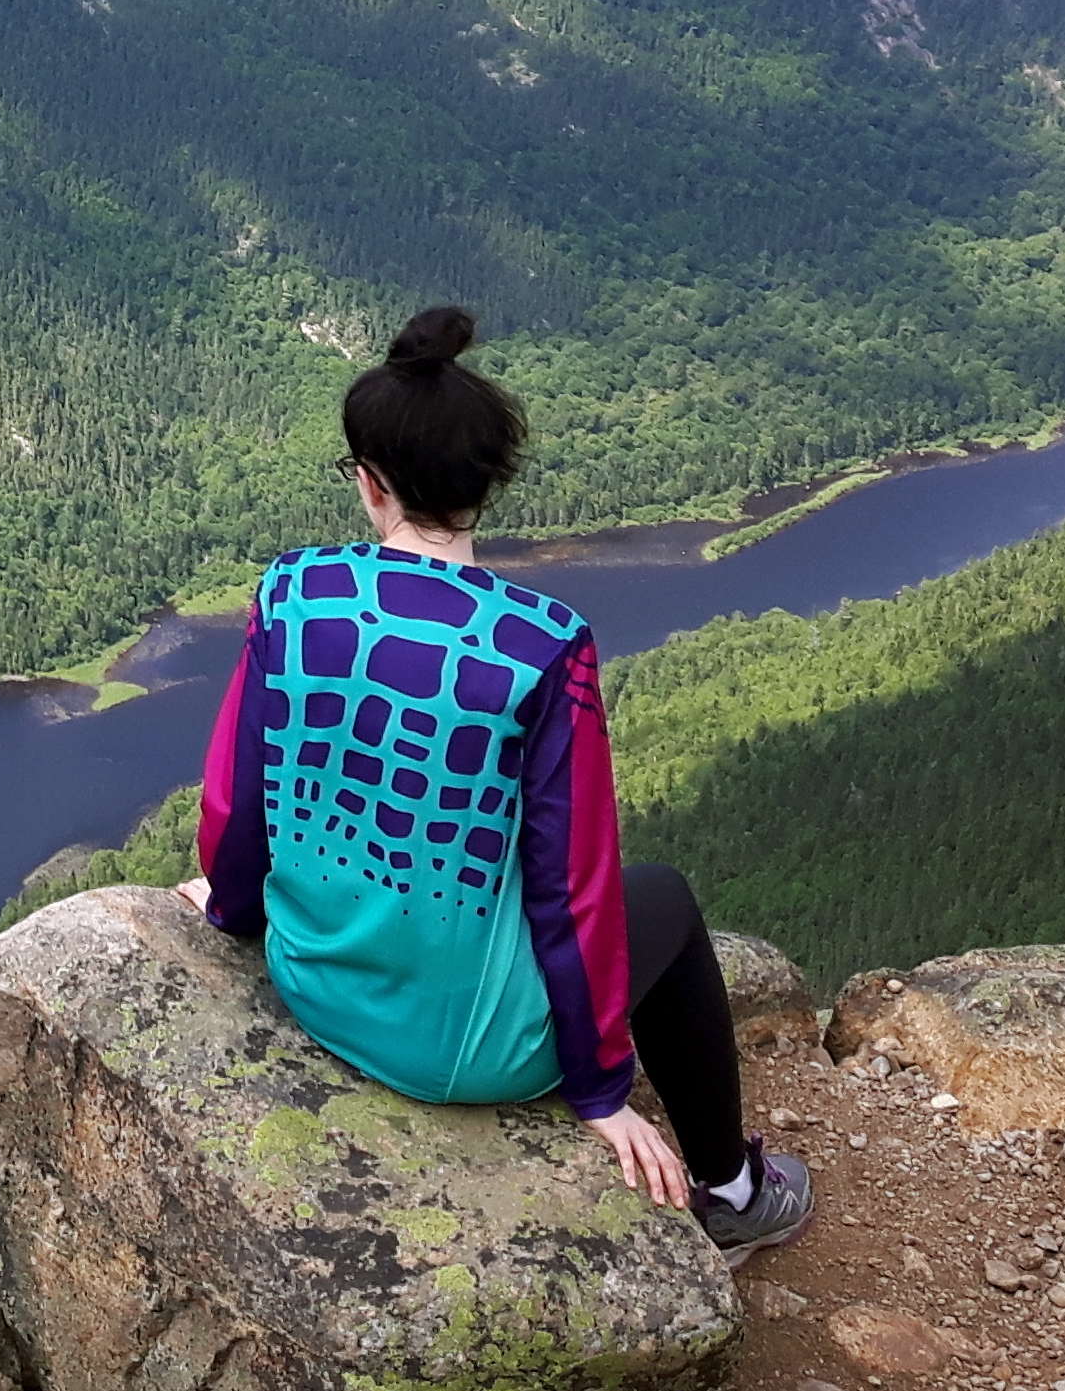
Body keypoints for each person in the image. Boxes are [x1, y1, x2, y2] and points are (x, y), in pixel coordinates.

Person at [173, 305, 810, 1261]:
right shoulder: (542, 645)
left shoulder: (292, 593)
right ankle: (729, 1188)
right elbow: (576, 881)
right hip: (462, 1052)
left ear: (370, 481)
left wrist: (228, 906)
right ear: (485, 488)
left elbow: (241, 793)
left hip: (313, 982)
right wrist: (598, 1091)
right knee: (664, 895)